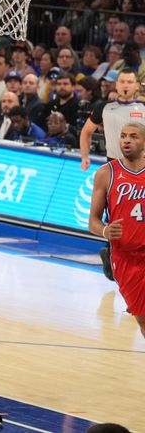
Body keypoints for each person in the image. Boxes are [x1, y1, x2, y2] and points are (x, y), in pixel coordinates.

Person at [88, 122, 145, 338]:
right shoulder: (106, 173)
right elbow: (93, 221)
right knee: (143, 319)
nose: (127, 140)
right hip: (125, 258)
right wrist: (105, 231)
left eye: (133, 136)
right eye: (123, 136)